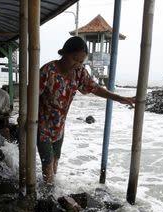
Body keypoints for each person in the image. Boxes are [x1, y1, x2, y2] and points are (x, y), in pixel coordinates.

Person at [38, 36, 136, 183]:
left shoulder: (79, 72)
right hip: (41, 126)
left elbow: (95, 88)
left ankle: (51, 195)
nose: (77, 64)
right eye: (74, 59)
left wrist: (119, 98)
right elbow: (30, 95)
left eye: (80, 62)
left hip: (59, 128)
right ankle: (46, 197)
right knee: (47, 164)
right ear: (64, 53)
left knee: (55, 162)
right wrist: (25, 118)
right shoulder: (48, 70)